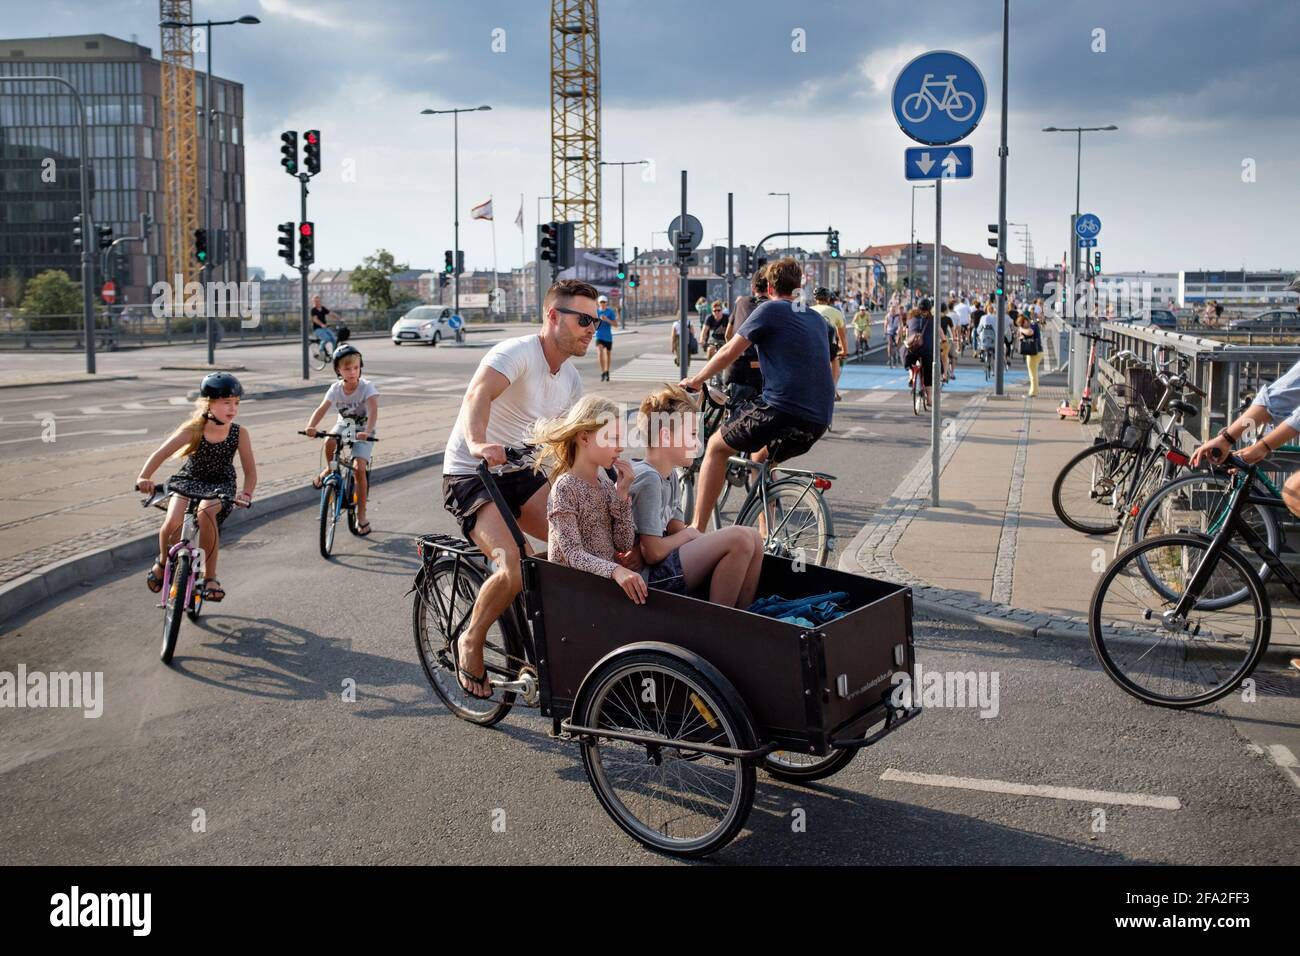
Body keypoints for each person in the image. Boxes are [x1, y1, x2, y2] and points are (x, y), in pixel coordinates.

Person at [441, 278, 613, 699]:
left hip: (523, 472)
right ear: (553, 316)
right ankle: (471, 641)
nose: (593, 328)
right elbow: (478, 396)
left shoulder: (570, 378)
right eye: (584, 319)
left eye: (598, 319)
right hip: (473, 473)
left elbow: (574, 443)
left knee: (585, 547)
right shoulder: (515, 354)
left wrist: (609, 473)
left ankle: (556, 643)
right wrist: (480, 442)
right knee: (516, 563)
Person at [679, 257, 835, 532]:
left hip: (781, 407)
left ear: (770, 287)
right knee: (760, 459)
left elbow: (729, 351)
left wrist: (696, 380)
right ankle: (767, 533)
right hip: (819, 418)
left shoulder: (771, 309)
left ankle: (696, 529)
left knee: (716, 446)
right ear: (799, 285)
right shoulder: (816, 318)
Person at [629, 385, 764, 607]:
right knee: (739, 538)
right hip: (647, 580)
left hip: (662, 566)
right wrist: (689, 535)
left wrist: (690, 535)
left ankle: (743, 617)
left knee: (754, 538)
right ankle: (719, 624)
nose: (698, 443)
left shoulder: (670, 475)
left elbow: (676, 530)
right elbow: (652, 552)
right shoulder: (648, 478)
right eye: (692, 434)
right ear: (665, 436)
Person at [135, 372, 257, 604]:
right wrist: (144, 477)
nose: (233, 409)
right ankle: (162, 562)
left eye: (236, 403)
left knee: (206, 512)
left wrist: (246, 492)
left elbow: (250, 471)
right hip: (189, 479)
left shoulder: (239, 433)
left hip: (221, 484)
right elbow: (160, 453)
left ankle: (210, 577)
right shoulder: (194, 429)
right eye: (226, 403)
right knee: (172, 521)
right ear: (208, 404)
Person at [536, 396, 647, 604]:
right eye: (612, 439)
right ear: (584, 438)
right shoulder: (565, 487)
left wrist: (622, 495)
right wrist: (616, 571)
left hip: (600, 589)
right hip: (572, 593)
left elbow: (622, 544)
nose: (620, 447)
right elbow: (572, 554)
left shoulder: (605, 485)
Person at [303, 344, 378, 534]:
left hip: (363, 428)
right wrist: (311, 426)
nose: (352, 372)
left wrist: (368, 431)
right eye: (347, 368)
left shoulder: (367, 387)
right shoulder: (335, 389)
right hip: (345, 425)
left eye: (356, 367)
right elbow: (322, 408)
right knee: (329, 441)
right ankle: (330, 468)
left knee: (359, 468)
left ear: (361, 367)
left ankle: (361, 516)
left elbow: (373, 411)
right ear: (338, 370)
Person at [811, 287, 848, 401]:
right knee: (834, 358)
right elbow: (842, 335)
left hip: (811, 343)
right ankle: (833, 388)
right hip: (827, 343)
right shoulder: (836, 312)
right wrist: (844, 351)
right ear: (828, 299)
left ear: (815, 299)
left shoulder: (808, 309)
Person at [904, 300, 936, 406]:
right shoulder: (933, 321)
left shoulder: (911, 319)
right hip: (927, 350)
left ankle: (911, 375)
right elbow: (940, 334)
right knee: (928, 373)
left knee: (906, 355)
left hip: (913, 349)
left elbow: (907, 335)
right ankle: (930, 400)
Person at [594, 294, 619, 382]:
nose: (603, 304)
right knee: (600, 352)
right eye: (601, 302)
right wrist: (598, 320)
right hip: (599, 335)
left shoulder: (610, 312)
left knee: (607, 354)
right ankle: (602, 372)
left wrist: (607, 320)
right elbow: (594, 325)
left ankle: (607, 371)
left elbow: (616, 325)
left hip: (608, 337)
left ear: (606, 303)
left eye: (604, 302)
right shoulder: (596, 312)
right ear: (598, 303)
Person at [1017, 312, 1043, 397]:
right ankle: (1033, 391)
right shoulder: (1032, 325)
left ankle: (1033, 393)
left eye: (1022, 324)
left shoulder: (1032, 325)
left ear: (1025, 321)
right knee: (1033, 373)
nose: (1022, 326)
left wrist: (1021, 330)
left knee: (1032, 374)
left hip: (1034, 352)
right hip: (1035, 352)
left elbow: (1030, 332)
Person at [938, 301, 956, 383]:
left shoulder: (935, 318)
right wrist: (954, 338)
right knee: (945, 358)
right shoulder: (948, 319)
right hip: (943, 340)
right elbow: (953, 331)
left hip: (934, 340)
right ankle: (945, 375)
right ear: (945, 310)